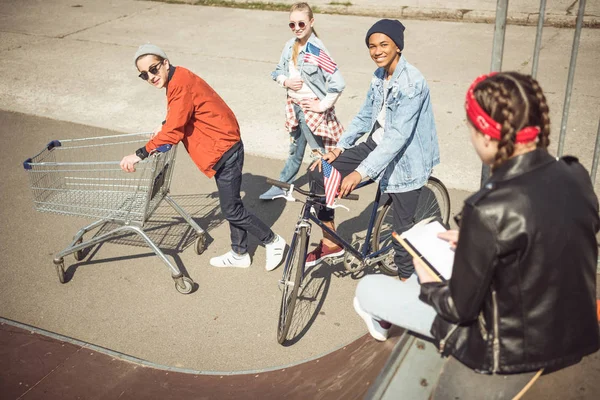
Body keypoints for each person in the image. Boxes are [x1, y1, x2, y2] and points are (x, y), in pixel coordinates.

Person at [354, 71, 600, 375]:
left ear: (486, 135)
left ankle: (384, 319)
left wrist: (429, 282)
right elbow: (552, 232)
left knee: (370, 289)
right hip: (577, 334)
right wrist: (481, 240)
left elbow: (460, 308)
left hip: (505, 352)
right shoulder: (575, 174)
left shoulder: (486, 209)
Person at [120, 44, 286, 271]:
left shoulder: (180, 84)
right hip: (222, 146)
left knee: (231, 210)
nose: (151, 76)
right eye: (144, 74)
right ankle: (239, 253)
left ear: (165, 63)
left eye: (154, 68)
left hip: (224, 148)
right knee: (233, 205)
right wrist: (163, 127)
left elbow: (174, 129)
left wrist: (139, 154)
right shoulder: (178, 79)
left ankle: (273, 241)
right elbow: (179, 116)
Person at [306, 19, 440, 269]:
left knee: (402, 236)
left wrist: (360, 173)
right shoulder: (379, 76)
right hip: (376, 145)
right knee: (318, 173)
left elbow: (398, 137)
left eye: (383, 44)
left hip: (406, 160)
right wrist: (340, 147)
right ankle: (331, 242)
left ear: (398, 47)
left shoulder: (411, 83)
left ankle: (406, 283)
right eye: (371, 46)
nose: (377, 51)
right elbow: (366, 116)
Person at [259, 2, 346, 200]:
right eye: (292, 24)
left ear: (311, 22)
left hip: (310, 112)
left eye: (301, 24)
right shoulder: (290, 45)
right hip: (293, 107)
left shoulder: (316, 50)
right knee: (294, 151)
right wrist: (286, 81)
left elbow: (338, 83)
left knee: (320, 154)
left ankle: (326, 192)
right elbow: (277, 71)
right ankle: (283, 186)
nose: (297, 28)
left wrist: (322, 105)